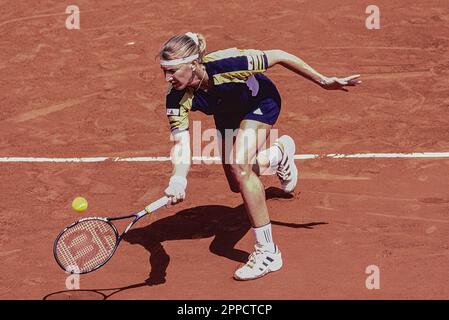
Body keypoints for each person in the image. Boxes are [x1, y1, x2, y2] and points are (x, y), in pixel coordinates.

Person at [158, 32, 361, 281]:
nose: (167, 78)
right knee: (237, 183)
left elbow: (279, 55)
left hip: (260, 102)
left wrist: (323, 81)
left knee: (239, 166)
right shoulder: (176, 98)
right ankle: (279, 154)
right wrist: (178, 179)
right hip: (228, 115)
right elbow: (181, 144)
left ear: (192, 64)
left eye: (172, 70)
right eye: (163, 71)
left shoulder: (228, 63)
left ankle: (267, 251)